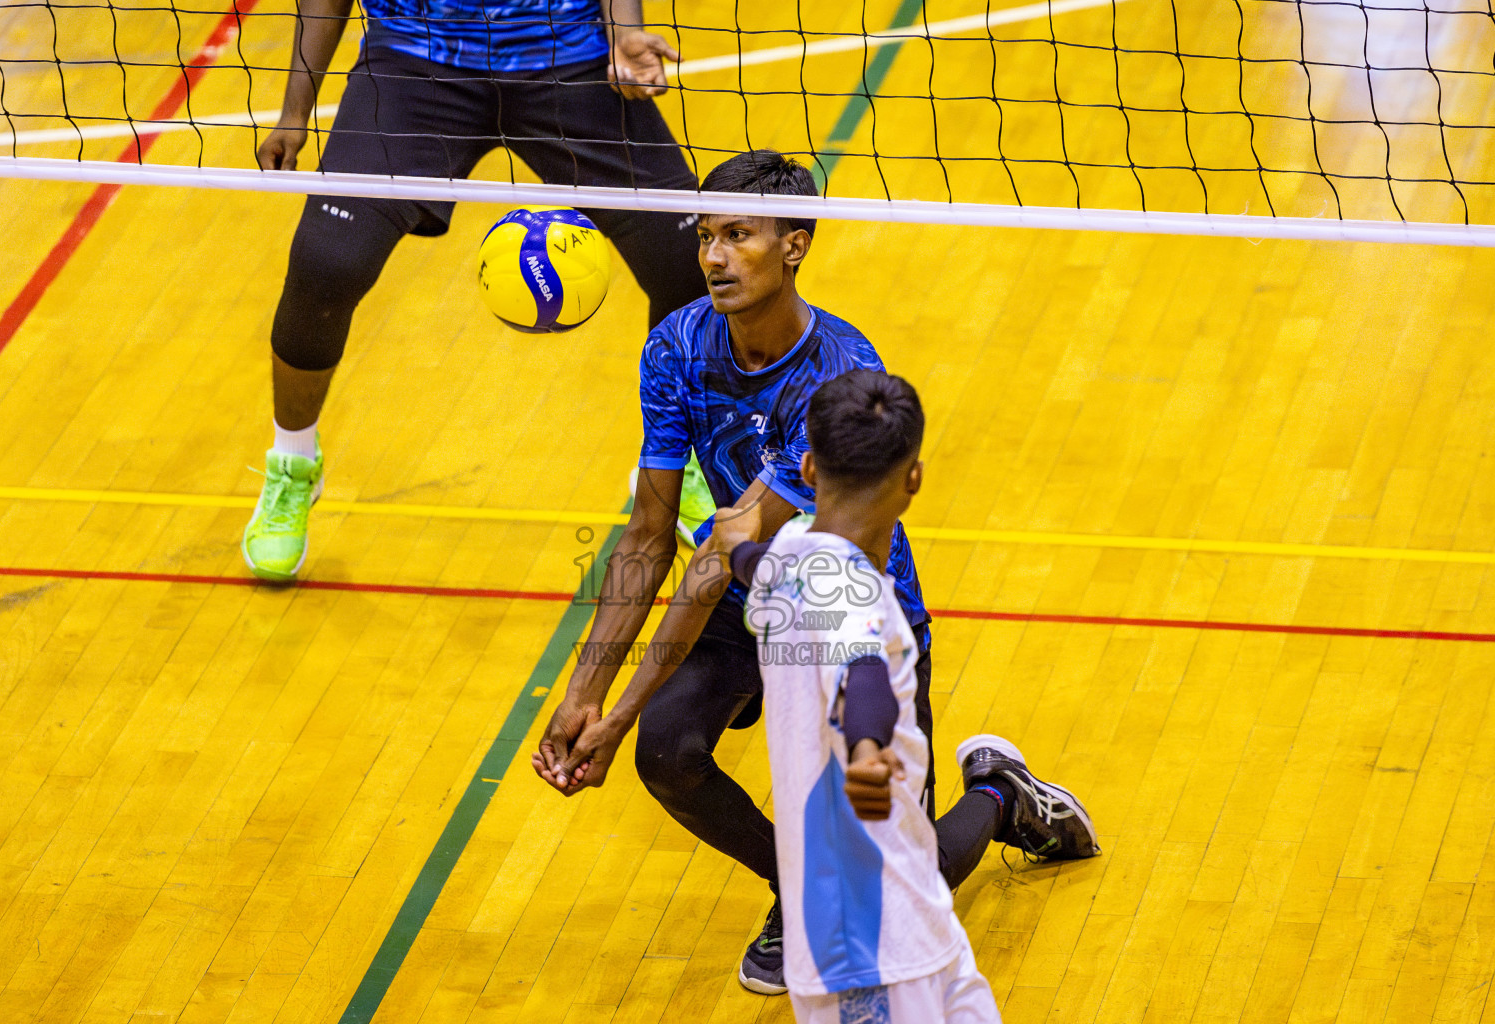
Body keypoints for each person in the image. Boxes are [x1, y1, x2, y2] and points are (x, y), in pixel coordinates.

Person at [530, 149, 1099, 995]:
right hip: (753, 587)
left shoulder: (838, 374)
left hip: (847, 612)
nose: (714, 257)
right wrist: (584, 691)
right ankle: (793, 894)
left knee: (904, 882)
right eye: (707, 235)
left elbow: (724, 547)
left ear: (794, 245)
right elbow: (651, 531)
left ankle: (1000, 795)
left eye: (739, 236)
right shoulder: (676, 347)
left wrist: (614, 717)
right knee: (669, 754)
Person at [240, 0, 712, 580]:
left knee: (691, 264)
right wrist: (295, 110)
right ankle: (292, 463)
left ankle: (673, 461)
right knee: (327, 263)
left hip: (565, 53)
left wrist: (624, 31)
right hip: (416, 60)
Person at [711, 368, 1097, 1022]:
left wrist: (737, 549)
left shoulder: (788, 554)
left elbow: (764, 572)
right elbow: (862, 669)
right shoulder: (856, 594)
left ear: (806, 468)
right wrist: (866, 749)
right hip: (865, 954)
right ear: (913, 479)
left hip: (918, 921)